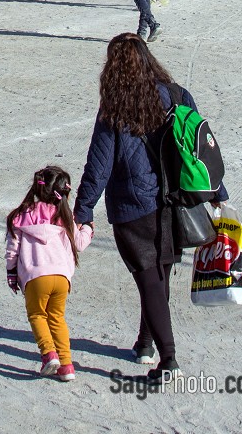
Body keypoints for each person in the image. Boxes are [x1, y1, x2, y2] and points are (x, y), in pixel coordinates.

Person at [74, 33, 226, 382]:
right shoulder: (177, 95)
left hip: (133, 207)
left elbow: (98, 167)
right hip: (177, 201)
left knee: (150, 278)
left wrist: (82, 213)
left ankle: (168, 360)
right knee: (159, 275)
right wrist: (217, 192)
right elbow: (200, 149)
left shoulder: (114, 106)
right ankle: (145, 342)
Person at [5, 164, 93, 382]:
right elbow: (80, 244)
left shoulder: (22, 215)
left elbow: (12, 249)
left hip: (36, 277)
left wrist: (12, 273)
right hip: (62, 278)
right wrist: (88, 227)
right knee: (57, 318)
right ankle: (67, 366)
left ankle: (48, 354)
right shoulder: (65, 216)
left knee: (37, 315)